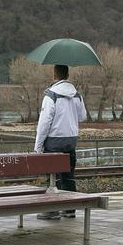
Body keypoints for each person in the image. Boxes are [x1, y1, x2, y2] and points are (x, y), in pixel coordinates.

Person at [34, 64, 86, 220]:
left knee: (52, 178)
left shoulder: (51, 95)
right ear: (67, 75)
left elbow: (44, 123)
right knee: (68, 177)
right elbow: (82, 116)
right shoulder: (77, 95)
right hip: (71, 142)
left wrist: (38, 146)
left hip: (53, 143)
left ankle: (52, 210)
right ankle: (69, 210)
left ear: (54, 75)